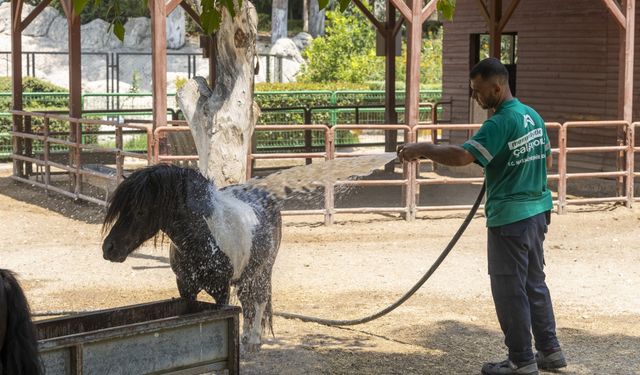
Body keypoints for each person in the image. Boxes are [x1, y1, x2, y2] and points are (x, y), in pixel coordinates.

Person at [397, 57, 566, 375]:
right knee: (534, 282)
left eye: (478, 91)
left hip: (511, 218)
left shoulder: (499, 122)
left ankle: (521, 360)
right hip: (537, 212)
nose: (476, 97)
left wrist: (424, 148)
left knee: (508, 288)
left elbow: (462, 155)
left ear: (497, 87)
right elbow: (545, 158)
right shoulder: (532, 116)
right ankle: (550, 350)